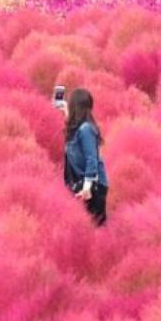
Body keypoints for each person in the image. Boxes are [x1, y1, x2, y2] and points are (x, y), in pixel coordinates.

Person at [63, 88, 109, 226]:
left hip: (92, 187)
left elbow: (91, 159)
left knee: (94, 227)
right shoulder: (78, 129)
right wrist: (65, 109)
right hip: (81, 184)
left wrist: (87, 187)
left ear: (75, 107)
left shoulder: (86, 129)